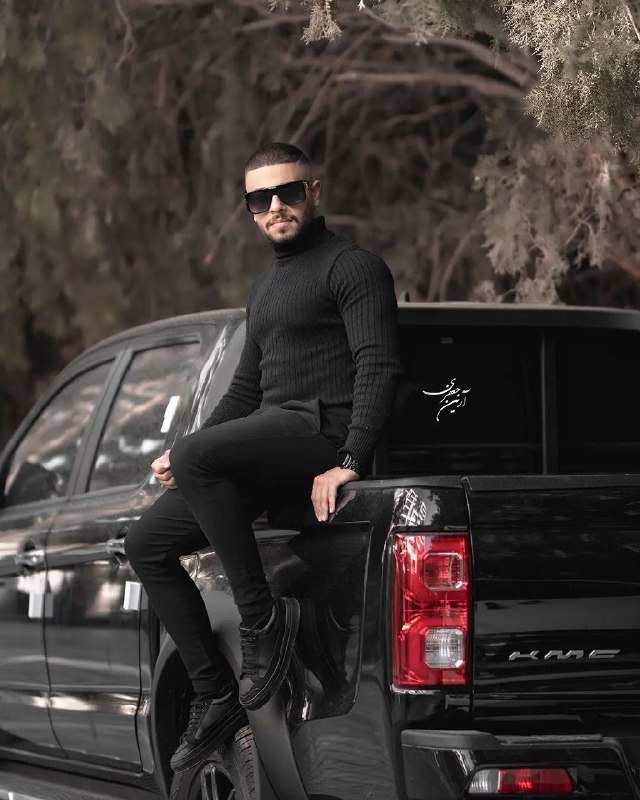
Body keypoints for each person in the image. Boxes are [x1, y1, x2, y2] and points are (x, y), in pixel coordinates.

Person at [124, 142, 403, 773]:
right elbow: (246, 391)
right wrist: (184, 454)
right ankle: (214, 693)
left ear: (315, 192)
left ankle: (261, 621)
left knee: (197, 458)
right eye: (260, 198)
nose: (276, 205)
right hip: (275, 436)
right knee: (147, 544)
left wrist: (351, 456)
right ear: (250, 210)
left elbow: (378, 366)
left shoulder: (354, 267)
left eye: (289, 192)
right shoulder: (267, 286)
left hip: (322, 430)